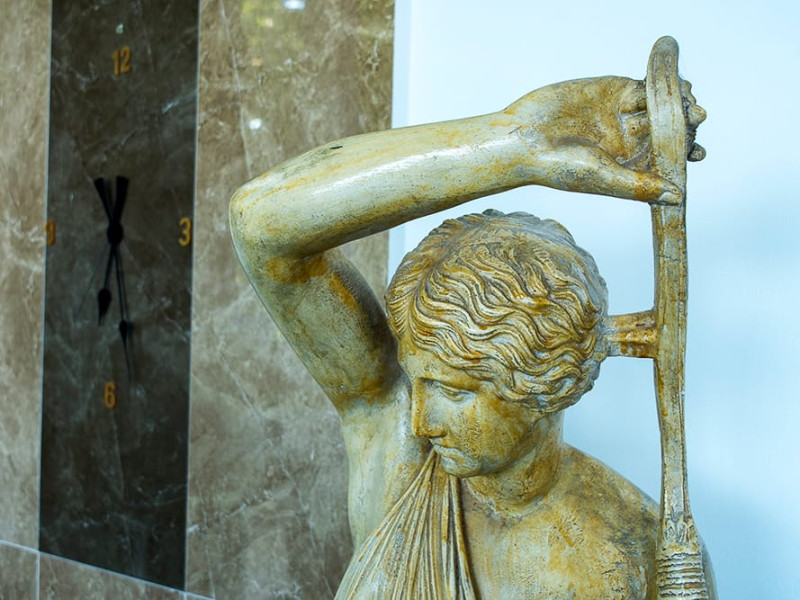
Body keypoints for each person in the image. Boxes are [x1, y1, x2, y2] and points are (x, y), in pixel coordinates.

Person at [229, 76, 709, 599]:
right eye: (419, 381)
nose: (421, 420)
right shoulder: (398, 444)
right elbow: (259, 223)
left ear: (544, 383)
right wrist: (513, 144)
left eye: (453, 391)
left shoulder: (632, 553)